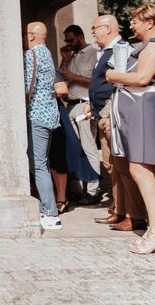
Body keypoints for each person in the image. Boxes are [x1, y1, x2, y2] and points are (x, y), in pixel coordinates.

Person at [85, 15, 146, 232]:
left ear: (109, 28)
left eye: (95, 28)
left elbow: (125, 81)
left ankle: (134, 214)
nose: (92, 31)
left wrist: (110, 113)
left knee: (123, 165)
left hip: (114, 113)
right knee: (113, 165)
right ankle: (119, 209)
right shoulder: (107, 51)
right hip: (103, 112)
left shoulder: (122, 49)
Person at [106, 4, 155, 254]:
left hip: (143, 111)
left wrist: (113, 75)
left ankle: (154, 231)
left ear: (150, 22)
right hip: (137, 111)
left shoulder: (152, 46)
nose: (132, 25)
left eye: (136, 20)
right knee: (139, 168)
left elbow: (143, 77)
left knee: (141, 168)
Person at [24, 21, 61, 230]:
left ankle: (49, 212)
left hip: (36, 114)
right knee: (42, 163)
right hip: (49, 114)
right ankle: (48, 208)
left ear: (30, 36)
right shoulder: (47, 53)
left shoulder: (31, 55)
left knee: (39, 165)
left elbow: (25, 84)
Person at [59, 24, 99, 203]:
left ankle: (93, 190)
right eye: (66, 41)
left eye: (71, 40)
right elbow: (60, 76)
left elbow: (98, 82)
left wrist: (75, 77)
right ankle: (78, 188)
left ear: (80, 37)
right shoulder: (72, 55)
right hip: (71, 105)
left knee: (89, 148)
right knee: (74, 149)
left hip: (85, 105)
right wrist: (65, 59)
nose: (68, 44)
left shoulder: (93, 53)